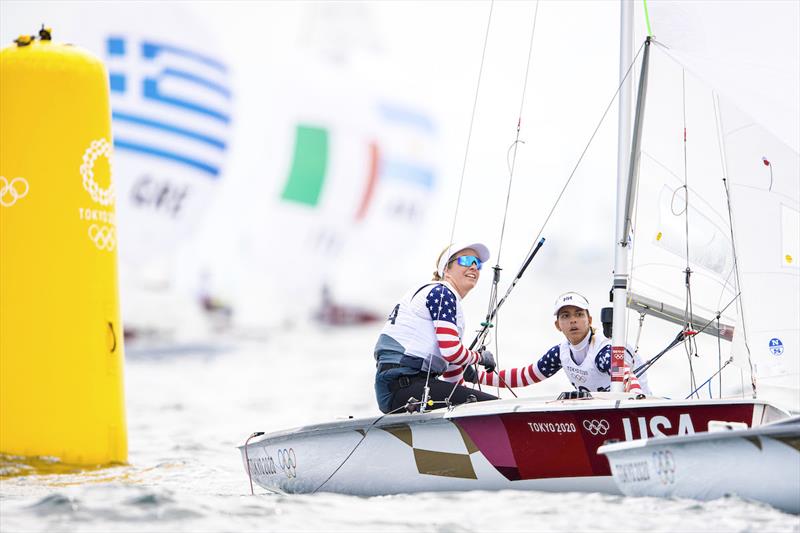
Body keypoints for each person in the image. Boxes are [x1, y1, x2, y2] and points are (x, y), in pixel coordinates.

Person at [373, 241, 499, 414]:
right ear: (446, 270)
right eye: (466, 260)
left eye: (478, 263)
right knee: (494, 408)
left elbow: (454, 381)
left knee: (484, 404)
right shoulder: (441, 294)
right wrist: (480, 357)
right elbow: (451, 352)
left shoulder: (447, 303)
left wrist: (547, 364)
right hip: (403, 386)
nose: (473, 267)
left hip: (407, 388)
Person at [461, 291, 651, 395]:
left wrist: (637, 399)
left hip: (639, 409)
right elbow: (525, 376)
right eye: (566, 316)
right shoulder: (560, 353)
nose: (573, 320)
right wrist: (476, 377)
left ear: (590, 319)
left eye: (579, 314)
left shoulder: (605, 352)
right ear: (558, 325)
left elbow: (626, 376)